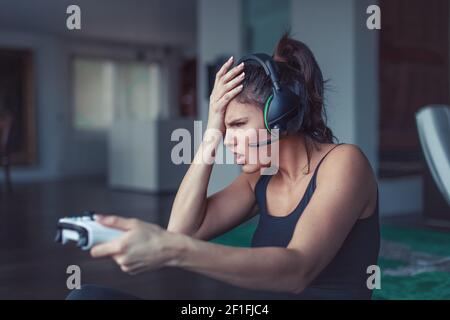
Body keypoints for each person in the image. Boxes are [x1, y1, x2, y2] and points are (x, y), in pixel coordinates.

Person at [67, 33, 380, 300]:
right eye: (225, 129)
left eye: (239, 124)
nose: (228, 142)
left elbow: (298, 270)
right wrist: (212, 130)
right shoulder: (259, 177)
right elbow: (183, 230)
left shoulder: (344, 163)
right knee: (87, 297)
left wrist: (172, 249)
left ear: (279, 115)